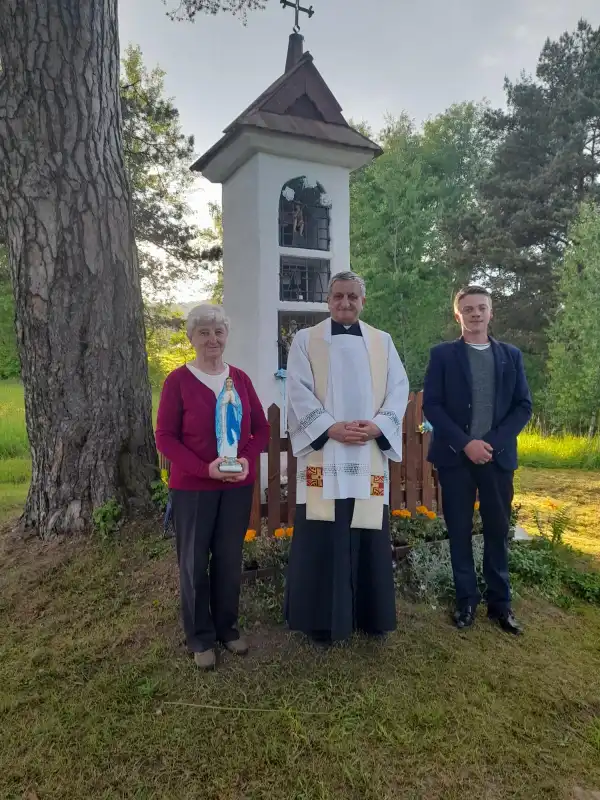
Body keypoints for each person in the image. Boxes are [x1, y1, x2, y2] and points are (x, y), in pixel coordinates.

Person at [284, 271, 409, 645]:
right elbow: (297, 390)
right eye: (338, 296)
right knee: (324, 532)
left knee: (367, 530)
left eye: (353, 297)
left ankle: (371, 618)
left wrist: (377, 426)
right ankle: (321, 623)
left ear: (363, 301)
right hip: (326, 450)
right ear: (328, 300)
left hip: (368, 450)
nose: (345, 303)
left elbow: (398, 389)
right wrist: (330, 428)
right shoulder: (306, 341)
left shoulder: (382, 342)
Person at [155, 304, 269, 669]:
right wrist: (206, 469)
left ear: (226, 337)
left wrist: (247, 459)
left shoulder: (241, 379)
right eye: (204, 332)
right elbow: (165, 439)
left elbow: (262, 429)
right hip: (193, 488)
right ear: (191, 338)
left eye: (218, 332)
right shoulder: (178, 382)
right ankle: (199, 636)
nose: (212, 339)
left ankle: (228, 628)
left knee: (228, 557)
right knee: (193, 561)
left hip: (236, 486)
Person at [423, 286, 532, 634]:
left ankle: (500, 605)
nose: (475, 314)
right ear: (458, 315)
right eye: (467, 309)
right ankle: (466, 601)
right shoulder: (442, 355)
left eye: (481, 308)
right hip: (456, 459)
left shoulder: (511, 356)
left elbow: (523, 406)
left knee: (497, 531)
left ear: (490, 312)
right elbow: (432, 406)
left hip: (497, 460)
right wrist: (466, 443)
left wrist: (493, 444)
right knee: (459, 531)